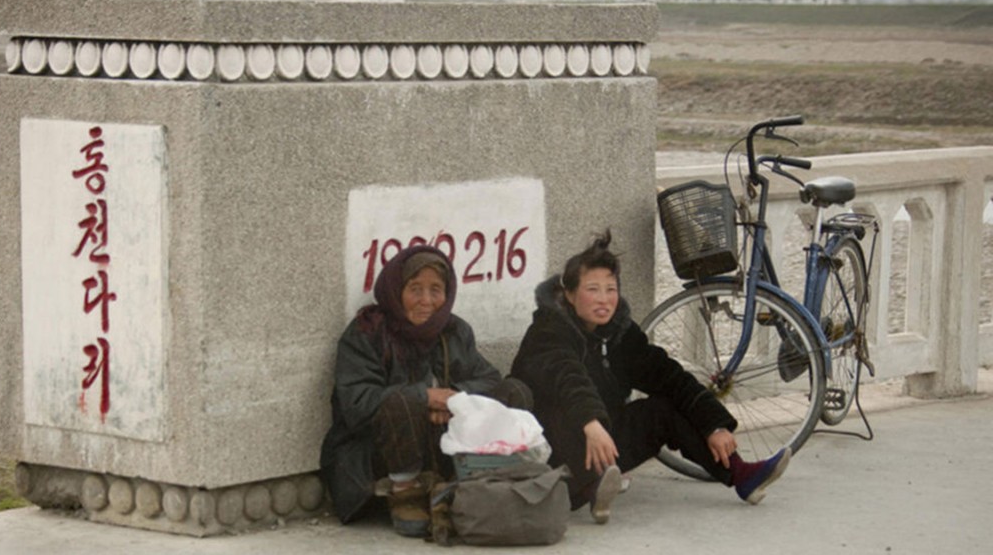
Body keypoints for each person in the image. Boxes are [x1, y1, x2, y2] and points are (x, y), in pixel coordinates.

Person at [510, 230, 790, 524]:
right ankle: (589, 483)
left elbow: (667, 375)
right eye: (592, 289)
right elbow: (567, 377)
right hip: (551, 452)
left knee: (663, 409)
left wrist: (714, 424)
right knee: (567, 411)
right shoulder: (548, 331)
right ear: (569, 294)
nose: (604, 300)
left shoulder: (619, 333)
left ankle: (742, 475)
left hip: (604, 442)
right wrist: (590, 423)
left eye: (611, 289)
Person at [320, 245, 532, 537]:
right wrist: (426, 398)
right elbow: (358, 404)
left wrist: (453, 399)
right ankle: (406, 490)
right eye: (415, 289)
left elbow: (488, 379)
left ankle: (488, 478)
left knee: (514, 391)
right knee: (402, 401)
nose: (426, 301)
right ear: (396, 289)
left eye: (436, 290)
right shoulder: (367, 332)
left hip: (442, 442)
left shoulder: (454, 330)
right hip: (378, 452)